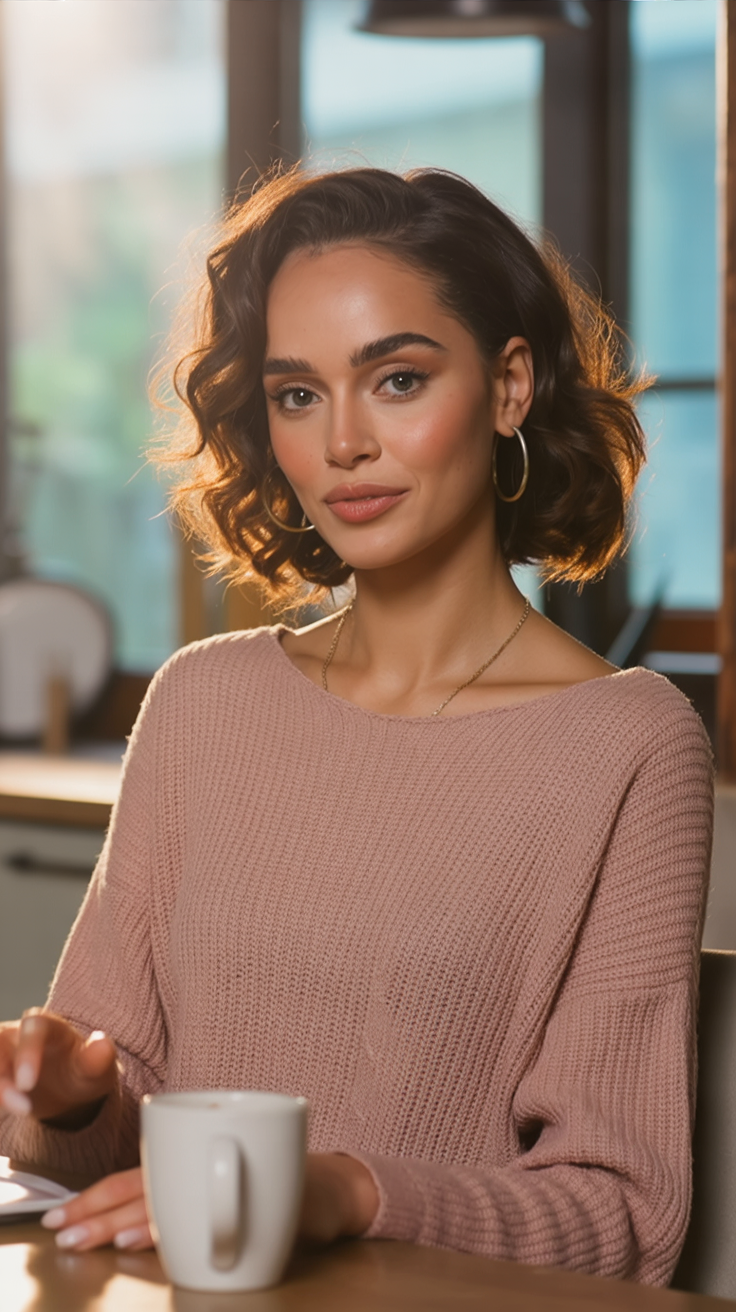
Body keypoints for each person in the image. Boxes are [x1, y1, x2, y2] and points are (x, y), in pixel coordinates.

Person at [0, 167, 713, 1285]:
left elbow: (623, 1217)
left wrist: (346, 1190)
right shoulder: (201, 702)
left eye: (396, 378)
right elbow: (95, 1148)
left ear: (509, 385)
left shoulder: (625, 744)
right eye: (296, 394)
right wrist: (67, 1097)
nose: (342, 444)